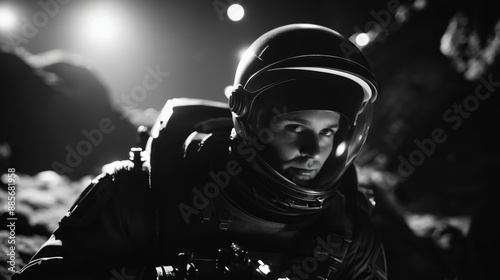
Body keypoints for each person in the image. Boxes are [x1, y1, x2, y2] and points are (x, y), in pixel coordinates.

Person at [12, 23, 387, 280]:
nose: (312, 150)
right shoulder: (143, 192)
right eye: (295, 128)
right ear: (250, 120)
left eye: (327, 132)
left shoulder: (347, 229)